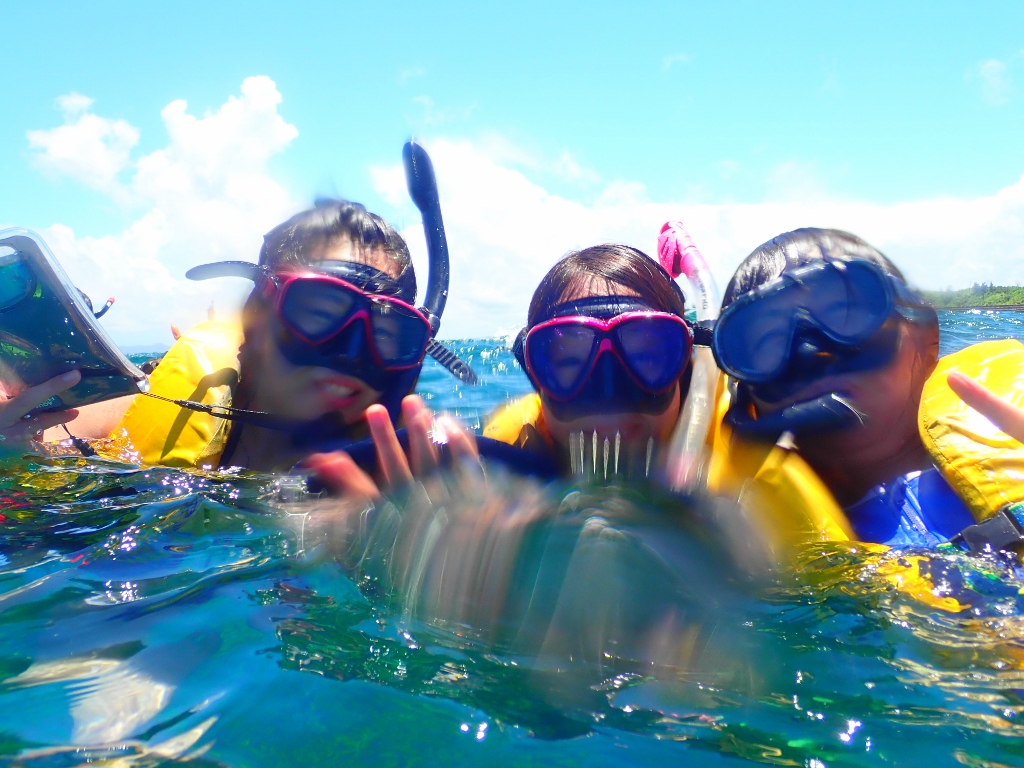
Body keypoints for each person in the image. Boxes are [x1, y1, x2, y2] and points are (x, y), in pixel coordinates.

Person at [27, 198, 464, 472]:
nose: (350, 352)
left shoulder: (416, 466)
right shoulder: (143, 408)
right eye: (318, 312)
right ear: (257, 317)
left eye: (387, 333)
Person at [708, 227, 1005, 548]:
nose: (811, 353)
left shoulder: (1014, 441)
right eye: (770, 340)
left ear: (925, 338)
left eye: (844, 314)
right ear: (748, 394)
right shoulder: (746, 548)